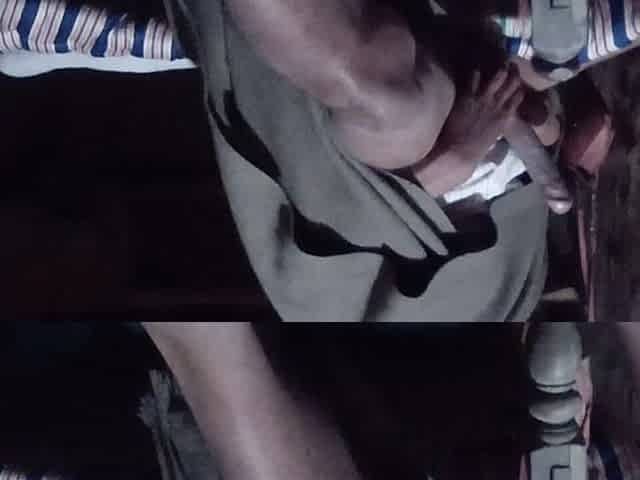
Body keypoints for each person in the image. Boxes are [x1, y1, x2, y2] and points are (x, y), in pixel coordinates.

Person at [1, 0, 635, 321]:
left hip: (385, 203)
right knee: (403, 103)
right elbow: (559, 131)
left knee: (392, 104)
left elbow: (329, 286)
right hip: (473, 191)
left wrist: (445, 167)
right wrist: (516, 137)